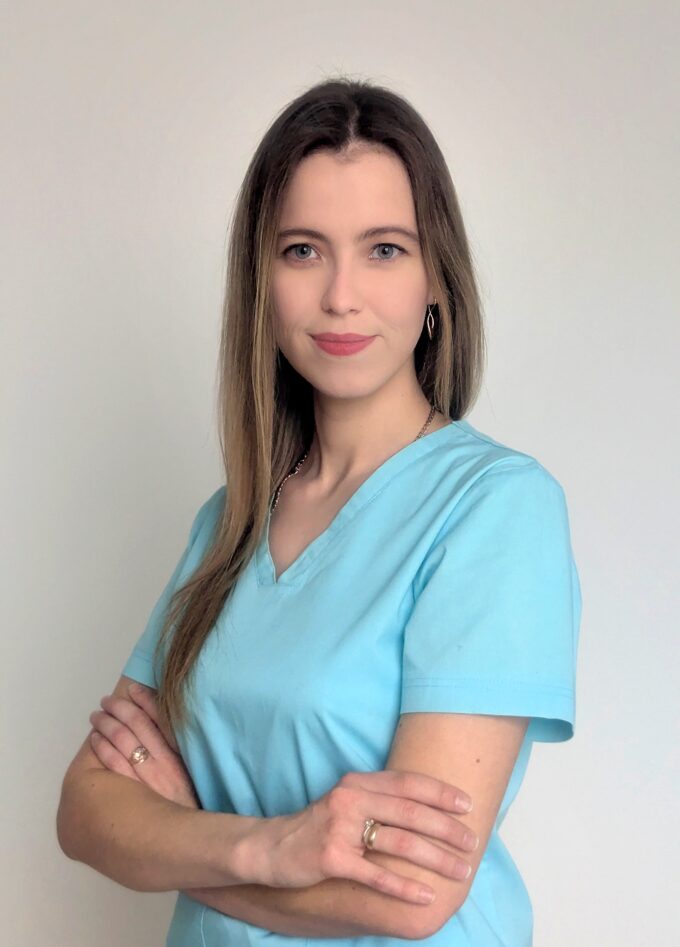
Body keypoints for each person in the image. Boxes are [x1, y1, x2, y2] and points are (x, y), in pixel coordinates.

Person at [57, 77, 582, 947]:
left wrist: (181, 841)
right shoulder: (227, 522)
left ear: (436, 279)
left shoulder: (495, 509)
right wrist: (272, 849)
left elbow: (411, 895)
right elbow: (86, 811)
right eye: (303, 250)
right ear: (260, 280)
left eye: (384, 249)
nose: (341, 295)